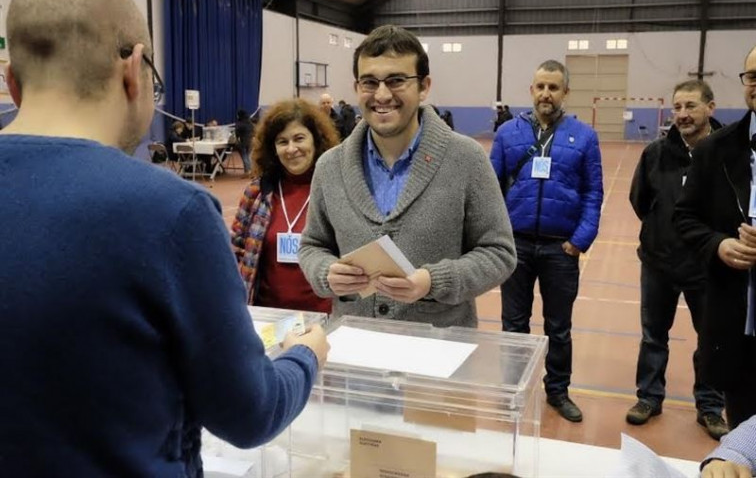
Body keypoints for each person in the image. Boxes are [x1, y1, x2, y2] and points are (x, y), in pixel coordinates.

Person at [0, 0, 329, 476]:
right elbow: (249, 412)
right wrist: (304, 356)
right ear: (133, 70)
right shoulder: (170, 211)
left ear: (12, 83)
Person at [299, 24, 516, 327]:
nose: (382, 94)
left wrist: (432, 281)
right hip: (354, 345)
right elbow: (312, 246)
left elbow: (500, 253)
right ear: (357, 88)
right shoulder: (330, 166)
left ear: (424, 86)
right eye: (370, 82)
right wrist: (325, 271)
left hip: (440, 350)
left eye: (397, 80)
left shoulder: (467, 159)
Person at [489, 60, 604, 423]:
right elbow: (490, 189)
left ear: (565, 92)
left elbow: (593, 192)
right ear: (531, 90)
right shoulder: (508, 133)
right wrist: (497, 237)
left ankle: (558, 391)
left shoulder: (584, 136)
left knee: (558, 327)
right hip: (516, 247)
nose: (546, 94)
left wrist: (579, 240)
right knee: (513, 326)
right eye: (540, 86)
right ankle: (513, 391)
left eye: (553, 87)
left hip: (561, 249)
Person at [627, 80, 728, 439]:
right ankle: (649, 398)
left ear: (710, 108)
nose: (682, 115)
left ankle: (711, 406)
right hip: (659, 262)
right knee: (653, 336)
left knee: (712, 337)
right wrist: (660, 233)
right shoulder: (656, 152)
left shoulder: (727, 151)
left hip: (710, 267)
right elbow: (639, 199)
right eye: (677, 108)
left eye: (691, 107)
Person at [673, 44, 756, 430]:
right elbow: (685, 217)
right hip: (738, 328)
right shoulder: (715, 151)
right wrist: (718, 244)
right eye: (752, 76)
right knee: (742, 432)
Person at [231, 99, 339, 312]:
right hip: (266, 317)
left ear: (316, 141)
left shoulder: (337, 190)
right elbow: (236, 248)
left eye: (299, 138)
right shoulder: (257, 192)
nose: (291, 149)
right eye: (282, 141)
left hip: (326, 317)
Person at [235, 108, 253, 174]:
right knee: (249, 156)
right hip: (251, 141)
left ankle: (248, 170)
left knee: (244, 156)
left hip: (243, 142)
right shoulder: (250, 123)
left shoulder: (240, 124)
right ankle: (249, 170)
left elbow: (236, 133)